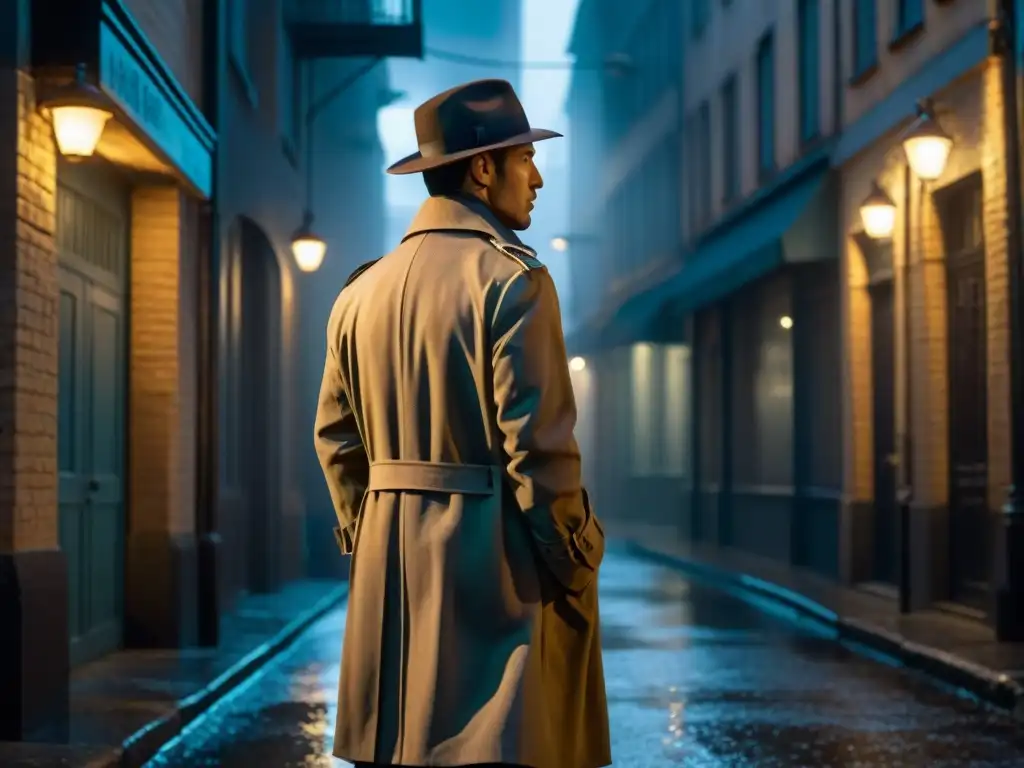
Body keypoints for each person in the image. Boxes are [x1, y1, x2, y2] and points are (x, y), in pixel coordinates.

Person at [313, 79, 610, 768]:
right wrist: (576, 559)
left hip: (391, 585)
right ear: (483, 168)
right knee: (501, 746)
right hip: (493, 579)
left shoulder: (359, 292)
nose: (536, 178)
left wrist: (378, 532)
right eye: (523, 159)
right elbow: (539, 452)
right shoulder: (513, 281)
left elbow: (337, 439)